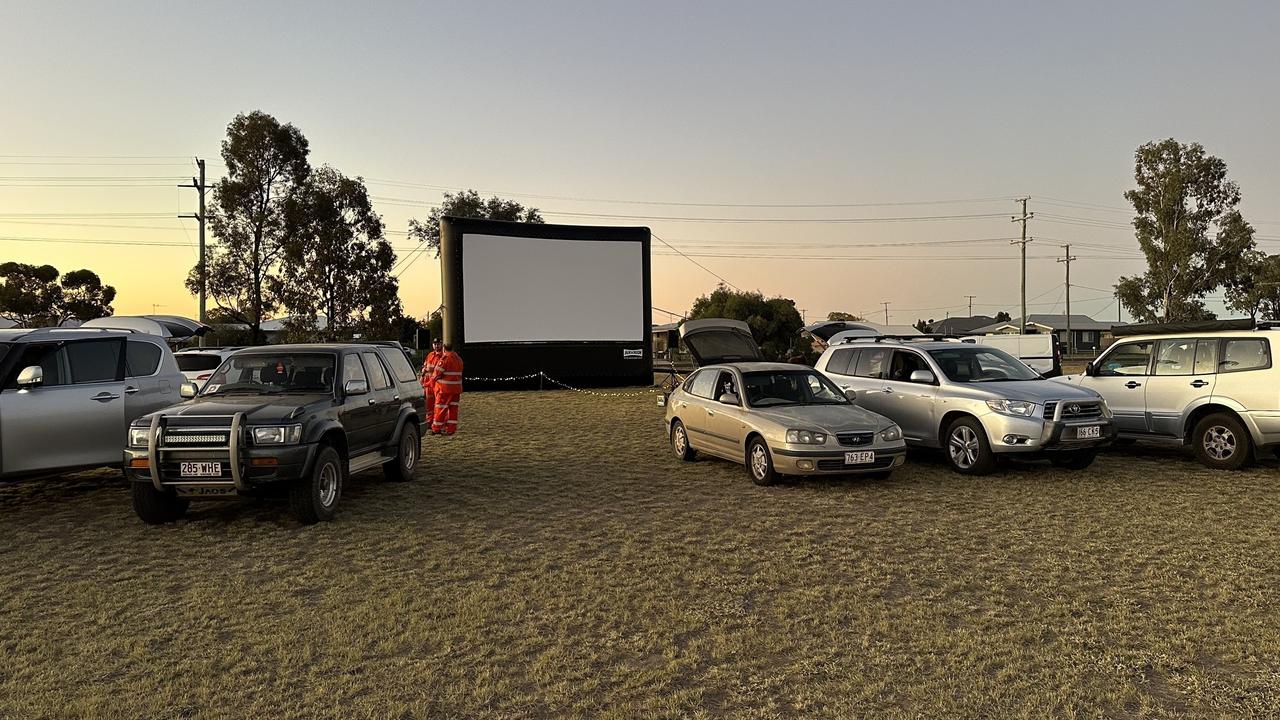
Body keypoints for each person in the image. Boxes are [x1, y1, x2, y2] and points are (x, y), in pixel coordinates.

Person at [430, 343, 464, 435]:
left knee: (440, 409)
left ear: (444, 349)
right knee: (453, 410)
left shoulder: (444, 359)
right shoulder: (459, 359)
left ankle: (436, 428)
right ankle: (451, 429)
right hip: (456, 390)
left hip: (444, 390)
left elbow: (436, 374)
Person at [420, 338, 445, 420]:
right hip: (428, 384)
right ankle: (429, 422)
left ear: (441, 344)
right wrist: (422, 377)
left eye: (438, 344)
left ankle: (438, 422)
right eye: (435, 344)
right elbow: (425, 367)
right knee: (428, 405)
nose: (436, 345)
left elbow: (439, 370)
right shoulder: (430, 355)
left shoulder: (443, 356)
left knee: (438, 404)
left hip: (437, 384)